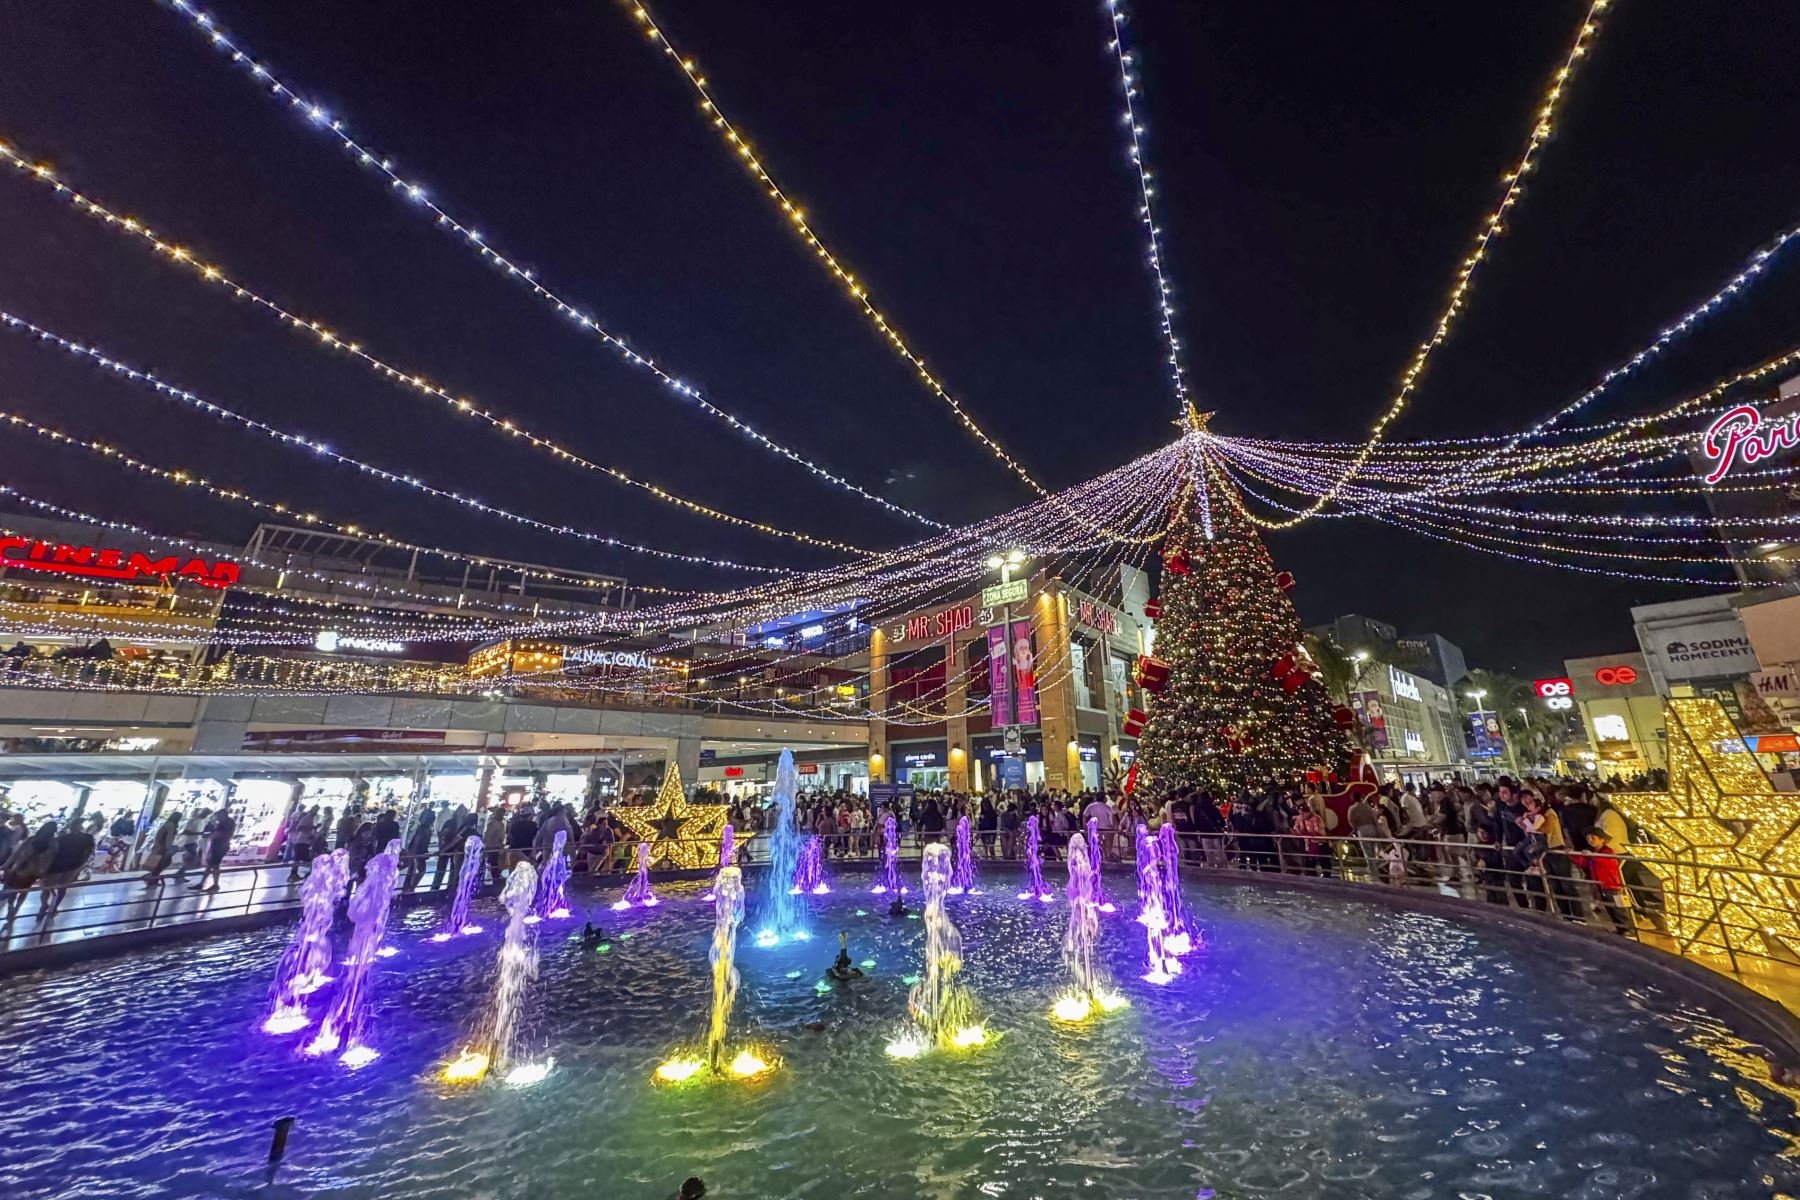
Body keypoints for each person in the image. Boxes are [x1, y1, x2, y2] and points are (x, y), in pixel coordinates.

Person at [1574, 829, 1632, 935]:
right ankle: (1619, 928)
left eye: (1593, 838)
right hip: (1600, 885)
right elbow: (1584, 864)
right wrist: (1573, 855)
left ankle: (1627, 929)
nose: (1590, 840)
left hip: (1611, 885)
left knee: (1618, 908)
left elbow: (1607, 863)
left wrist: (1591, 856)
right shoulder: (1594, 853)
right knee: (1609, 907)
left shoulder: (1608, 852)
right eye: (1588, 838)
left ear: (1602, 839)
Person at [38, 818, 97, 919]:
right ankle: (53, 908)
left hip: (58, 865)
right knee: (61, 888)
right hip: (72, 866)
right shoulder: (87, 838)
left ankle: (44, 907)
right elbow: (88, 853)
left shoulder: (63, 837)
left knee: (47, 888)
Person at [2, 820, 57, 922]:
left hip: (18, 869)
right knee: (23, 891)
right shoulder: (53, 844)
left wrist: (7, 864)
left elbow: (17, 853)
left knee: (13, 890)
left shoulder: (32, 839)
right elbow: (49, 861)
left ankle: (11, 908)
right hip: (32, 873)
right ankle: (16, 909)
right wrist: (42, 873)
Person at [191, 805, 236, 893]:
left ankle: (214, 884)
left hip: (220, 847)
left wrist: (209, 835)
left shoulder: (225, 824)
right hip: (220, 846)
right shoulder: (228, 823)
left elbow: (219, 834)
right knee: (212, 866)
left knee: (213, 865)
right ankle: (205, 883)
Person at [140, 809, 182, 886]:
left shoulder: (167, 823)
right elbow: (168, 838)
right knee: (163, 863)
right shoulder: (171, 825)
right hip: (163, 848)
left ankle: (152, 878)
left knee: (160, 864)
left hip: (159, 846)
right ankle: (151, 878)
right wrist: (168, 848)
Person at [402, 809, 436, 892]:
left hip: (418, 851)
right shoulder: (424, 829)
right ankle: (410, 888)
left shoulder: (424, 828)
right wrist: (415, 853)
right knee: (419, 869)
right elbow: (417, 840)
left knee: (414, 869)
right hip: (418, 851)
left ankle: (409, 887)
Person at [174, 808, 209, 882]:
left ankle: (179, 874)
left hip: (194, 842)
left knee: (191, 859)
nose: (206, 816)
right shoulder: (193, 821)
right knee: (192, 859)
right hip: (189, 842)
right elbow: (186, 832)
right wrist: (199, 834)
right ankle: (179, 873)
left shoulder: (201, 821)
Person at [286, 805, 318, 883]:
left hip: (304, 841)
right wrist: (312, 828)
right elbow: (299, 828)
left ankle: (293, 874)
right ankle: (306, 875)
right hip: (301, 841)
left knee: (297, 859)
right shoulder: (307, 817)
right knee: (307, 859)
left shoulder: (310, 818)